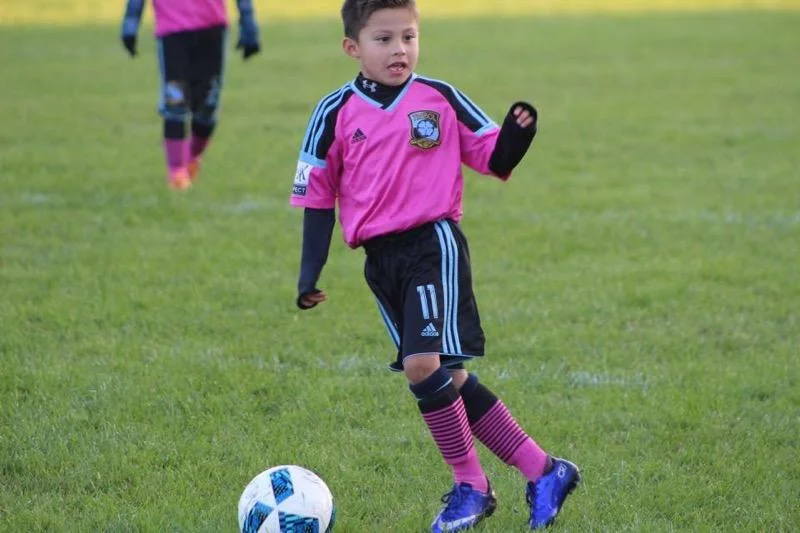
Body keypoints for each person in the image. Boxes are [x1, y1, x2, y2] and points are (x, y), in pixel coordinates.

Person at [290, 0, 580, 531]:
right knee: (447, 376)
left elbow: (491, 155)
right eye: (383, 39)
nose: (399, 49)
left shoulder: (438, 98)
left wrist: (518, 136)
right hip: (380, 261)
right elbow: (316, 196)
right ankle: (544, 470)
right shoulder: (333, 113)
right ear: (352, 48)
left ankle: (471, 485)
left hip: (432, 243)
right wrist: (309, 274)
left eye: (408, 37)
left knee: (423, 366)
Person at [120, 0, 261, 190]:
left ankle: (191, 158)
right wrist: (130, 23)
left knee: (208, 107)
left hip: (212, 28)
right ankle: (176, 173)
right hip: (172, 31)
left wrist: (248, 22)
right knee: (175, 100)